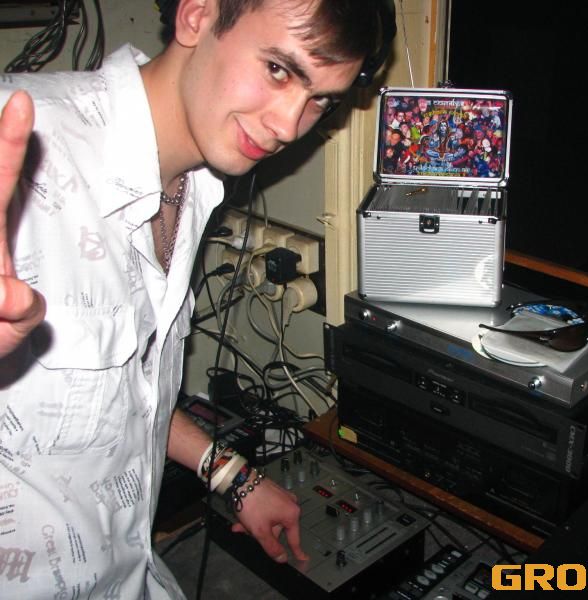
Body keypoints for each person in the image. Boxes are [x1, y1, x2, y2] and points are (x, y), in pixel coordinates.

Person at [0, 0, 389, 597]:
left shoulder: (198, 185)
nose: (290, 125)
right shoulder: (21, 142)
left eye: (321, 100)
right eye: (279, 69)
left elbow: (126, 395)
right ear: (197, 13)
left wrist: (233, 475)